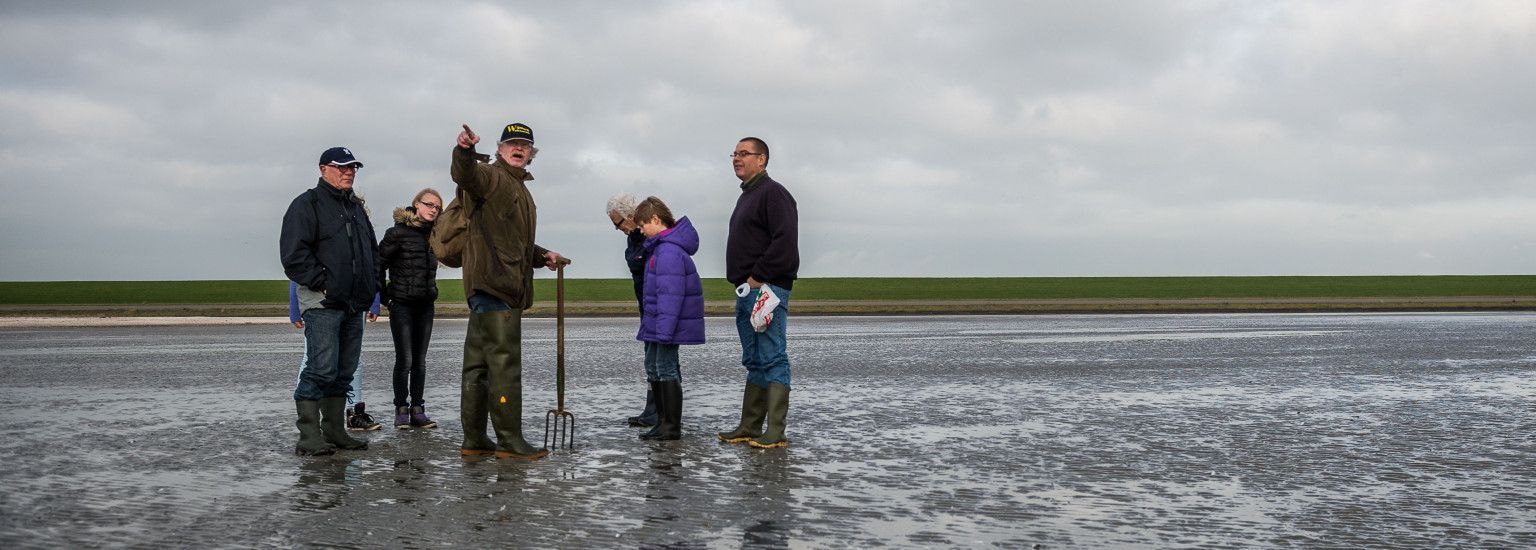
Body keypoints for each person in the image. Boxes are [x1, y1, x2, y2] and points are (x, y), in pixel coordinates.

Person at [451, 122, 566, 460]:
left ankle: (474, 440)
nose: (519, 149)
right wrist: (465, 150)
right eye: (512, 143)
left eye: (525, 145)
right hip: (495, 284)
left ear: (532, 154)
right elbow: (464, 175)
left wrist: (540, 255)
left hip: (487, 285)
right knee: (504, 365)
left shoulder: (519, 189)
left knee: (478, 366)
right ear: (500, 149)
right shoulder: (490, 176)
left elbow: (513, 241)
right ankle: (509, 441)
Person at [280, 146, 380, 456]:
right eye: (342, 167)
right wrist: (324, 284)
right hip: (323, 303)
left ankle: (335, 431)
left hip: (354, 303)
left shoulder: (355, 208)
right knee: (320, 368)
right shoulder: (306, 204)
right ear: (324, 169)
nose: (349, 172)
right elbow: (293, 255)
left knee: (344, 371)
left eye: (353, 167)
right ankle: (309, 436)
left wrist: (373, 287)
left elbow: (371, 253)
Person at [717, 137, 799, 449]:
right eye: (734, 154)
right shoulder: (747, 195)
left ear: (761, 159)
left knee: (773, 356)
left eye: (744, 153)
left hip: (767, 289)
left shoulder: (774, 193)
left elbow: (785, 242)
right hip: (745, 290)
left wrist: (757, 278)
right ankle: (750, 425)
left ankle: (775, 431)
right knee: (753, 358)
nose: (736, 158)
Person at [632, 196, 705, 440]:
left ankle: (670, 426)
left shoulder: (669, 252)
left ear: (655, 219)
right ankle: (662, 422)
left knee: (665, 369)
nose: (641, 232)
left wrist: (664, 331)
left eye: (642, 226)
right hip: (657, 323)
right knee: (654, 367)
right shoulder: (660, 249)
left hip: (665, 325)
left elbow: (670, 295)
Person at [377, 188, 444, 430]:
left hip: (426, 305)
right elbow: (378, 265)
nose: (433, 209)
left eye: (437, 207)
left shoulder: (436, 236)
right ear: (416, 204)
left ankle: (418, 409)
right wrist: (387, 299)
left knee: (420, 361)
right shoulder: (397, 233)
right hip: (402, 305)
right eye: (428, 204)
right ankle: (401, 410)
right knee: (404, 359)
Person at [288, 282, 381, 430]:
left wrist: (374, 299)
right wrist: (295, 307)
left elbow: (368, 264)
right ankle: (309, 418)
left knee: (352, 360)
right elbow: (298, 269)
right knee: (314, 360)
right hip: (318, 303)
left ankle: (354, 412)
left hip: (354, 302)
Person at [606, 192, 658, 429]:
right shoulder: (634, 238)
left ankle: (661, 412)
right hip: (645, 305)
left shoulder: (649, 237)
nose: (618, 229)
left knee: (660, 359)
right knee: (651, 359)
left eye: (618, 223)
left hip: (657, 306)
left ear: (631, 215)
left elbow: (641, 262)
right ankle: (652, 409)